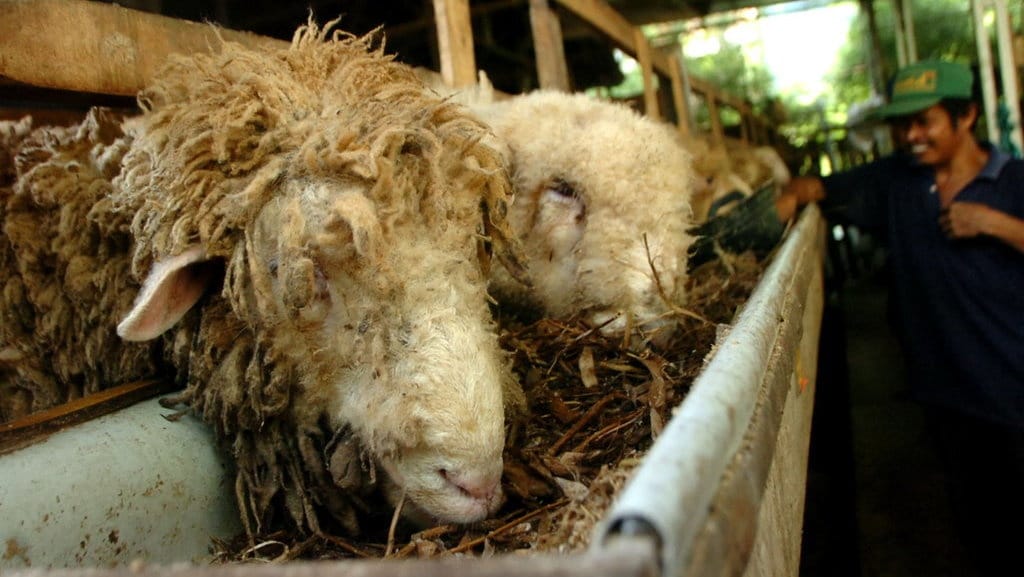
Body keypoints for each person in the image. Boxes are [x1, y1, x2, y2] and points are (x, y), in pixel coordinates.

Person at [779, 60, 1024, 576]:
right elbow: (814, 189)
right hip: (947, 394)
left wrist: (998, 224)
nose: (910, 135)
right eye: (902, 123)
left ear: (967, 116)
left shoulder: (1014, 182)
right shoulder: (896, 178)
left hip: (1013, 386)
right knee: (981, 522)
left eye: (925, 121)